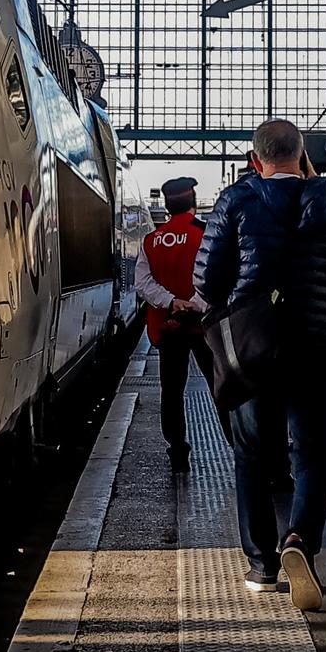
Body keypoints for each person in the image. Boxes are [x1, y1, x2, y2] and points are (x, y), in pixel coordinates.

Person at [192, 118, 326, 609]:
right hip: (316, 342)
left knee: (252, 453)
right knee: (312, 455)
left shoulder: (237, 200)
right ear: (302, 154)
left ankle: (261, 565)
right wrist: (316, 187)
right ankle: (301, 543)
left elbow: (205, 282)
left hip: (255, 345)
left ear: (256, 159)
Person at [131, 177, 208, 472]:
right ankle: (236, 445)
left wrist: (173, 302)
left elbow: (143, 283)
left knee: (172, 391)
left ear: (165, 206)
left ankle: (177, 449)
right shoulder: (206, 234)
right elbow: (216, 275)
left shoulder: (153, 240)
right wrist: (196, 303)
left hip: (168, 327)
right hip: (204, 327)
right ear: (194, 202)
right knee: (221, 387)